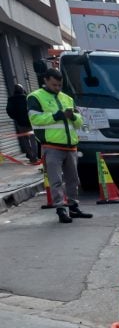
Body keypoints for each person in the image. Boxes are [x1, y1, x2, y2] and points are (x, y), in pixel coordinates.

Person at [27, 68, 90, 224]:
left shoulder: (67, 99)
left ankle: (74, 207)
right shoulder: (35, 97)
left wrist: (73, 116)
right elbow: (35, 119)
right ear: (46, 80)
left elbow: (80, 121)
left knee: (73, 179)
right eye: (54, 85)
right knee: (56, 180)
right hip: (52, 146)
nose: (57, 88)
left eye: (60, 85)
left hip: (71, 146)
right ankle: (60, 209)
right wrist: (58, 115)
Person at [6, 83, 39, 163]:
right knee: (33, 140)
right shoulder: (27, 98)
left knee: (25, 141)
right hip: (30, 122)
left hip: (20, 124)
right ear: (22, 90)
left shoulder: (11, 99)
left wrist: (15, 118)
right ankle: (35, 156)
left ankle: (31, 157)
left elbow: (9, 111)